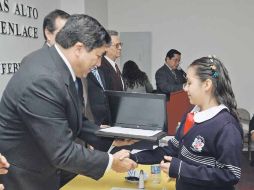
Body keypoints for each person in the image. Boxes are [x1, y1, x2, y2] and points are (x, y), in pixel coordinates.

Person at [0, 14, 137, 190]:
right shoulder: (44, 79)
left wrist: (112, 138)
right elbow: (62, 152)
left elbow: (76, 121)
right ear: (79, 48)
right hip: (26, 177)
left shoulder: (60, 66)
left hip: (46, 169)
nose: (98, 63)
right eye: (97, 55)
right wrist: (111, 162)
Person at [128, 56, 243, 190]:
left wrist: (181, 169)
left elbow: (230, 174)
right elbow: (171, 150)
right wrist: (135, 157)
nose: (185, 88)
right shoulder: (191, 115)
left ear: (206, 85)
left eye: (189, 83)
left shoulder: (226, 126)